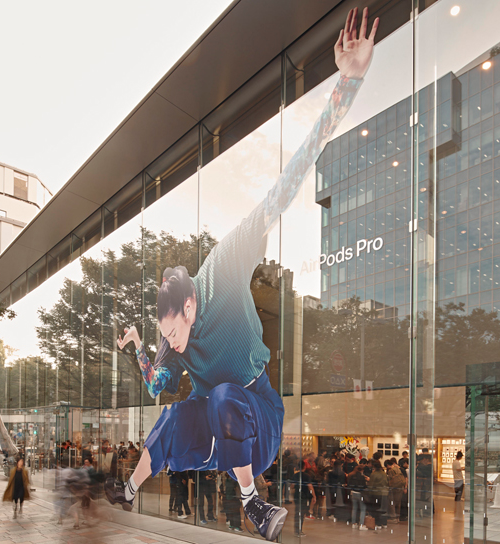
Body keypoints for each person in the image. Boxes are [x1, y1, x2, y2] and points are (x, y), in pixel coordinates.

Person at [103, 8, 379, 542]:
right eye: (167, 338)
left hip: (259, 419)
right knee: (175, 414)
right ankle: (130, 490)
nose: (174, 345)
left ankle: (253, 505)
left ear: (189, 306)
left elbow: (291, 177)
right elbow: (159, 383)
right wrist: (140, 346)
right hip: (215, 430)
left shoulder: (225, 266)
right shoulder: (169, 337)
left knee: (227, 393)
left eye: (174, 334)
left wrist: (349, 82)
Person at [367, 460, 388, 530]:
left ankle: (378, 523)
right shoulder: (384, 473)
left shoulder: (374, 474)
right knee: (383, 509)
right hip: (384, 492)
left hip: (375, 493)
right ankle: (384, 523)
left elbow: (371, 485)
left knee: (376, 509)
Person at [349, 464, 369, 531]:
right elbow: (364, 486)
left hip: (353, 493)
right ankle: (361, 524)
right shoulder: (362, 477)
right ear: (362, 470)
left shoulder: (352, 476)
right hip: (360, 494)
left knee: (354, 509)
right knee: (363, 509)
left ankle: (354, 523)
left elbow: (350, 485)